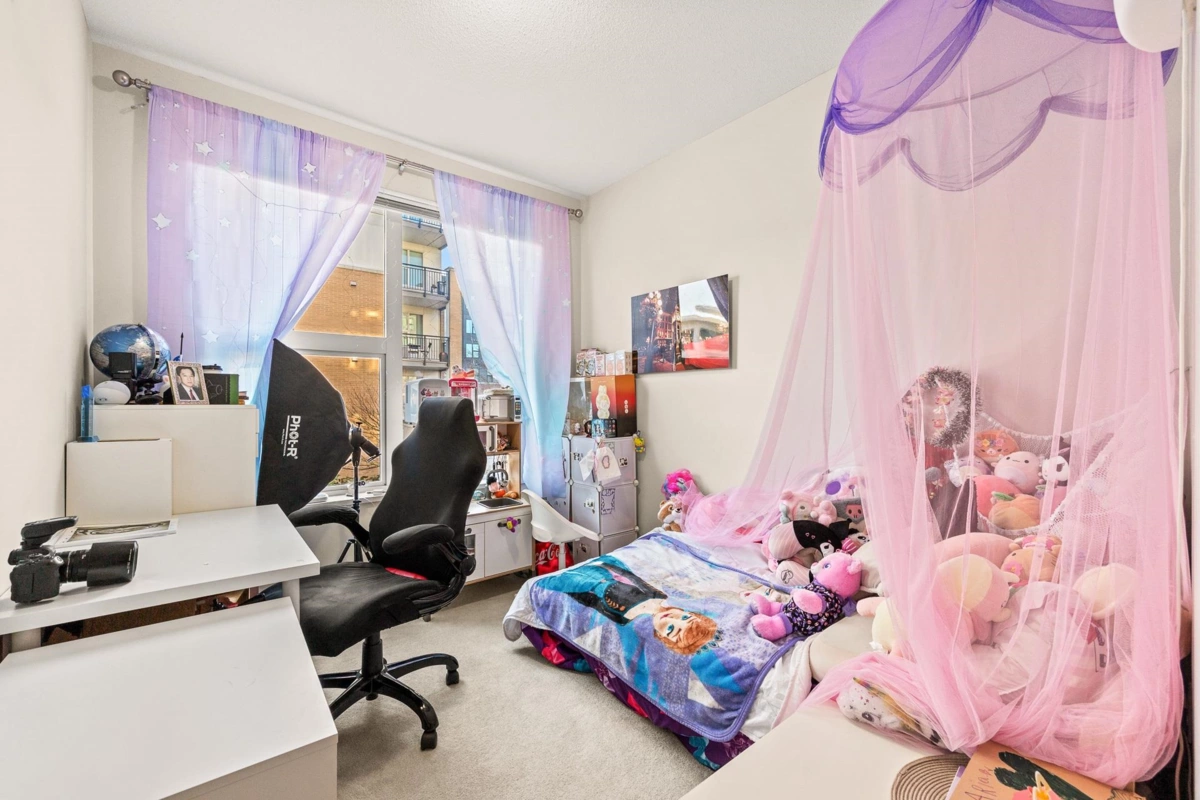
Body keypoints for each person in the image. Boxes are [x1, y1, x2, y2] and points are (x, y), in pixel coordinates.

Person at [538, 555, 719, 656]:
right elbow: (631, 575)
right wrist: (610, 562)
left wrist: (561, 585)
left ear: (663, 637)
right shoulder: (661, 595)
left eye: (673, 629)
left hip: (580, 583)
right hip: (606, 567)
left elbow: (590, 602)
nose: (674, 619)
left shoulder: (624, 619)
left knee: (549, 583)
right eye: (686, 618)